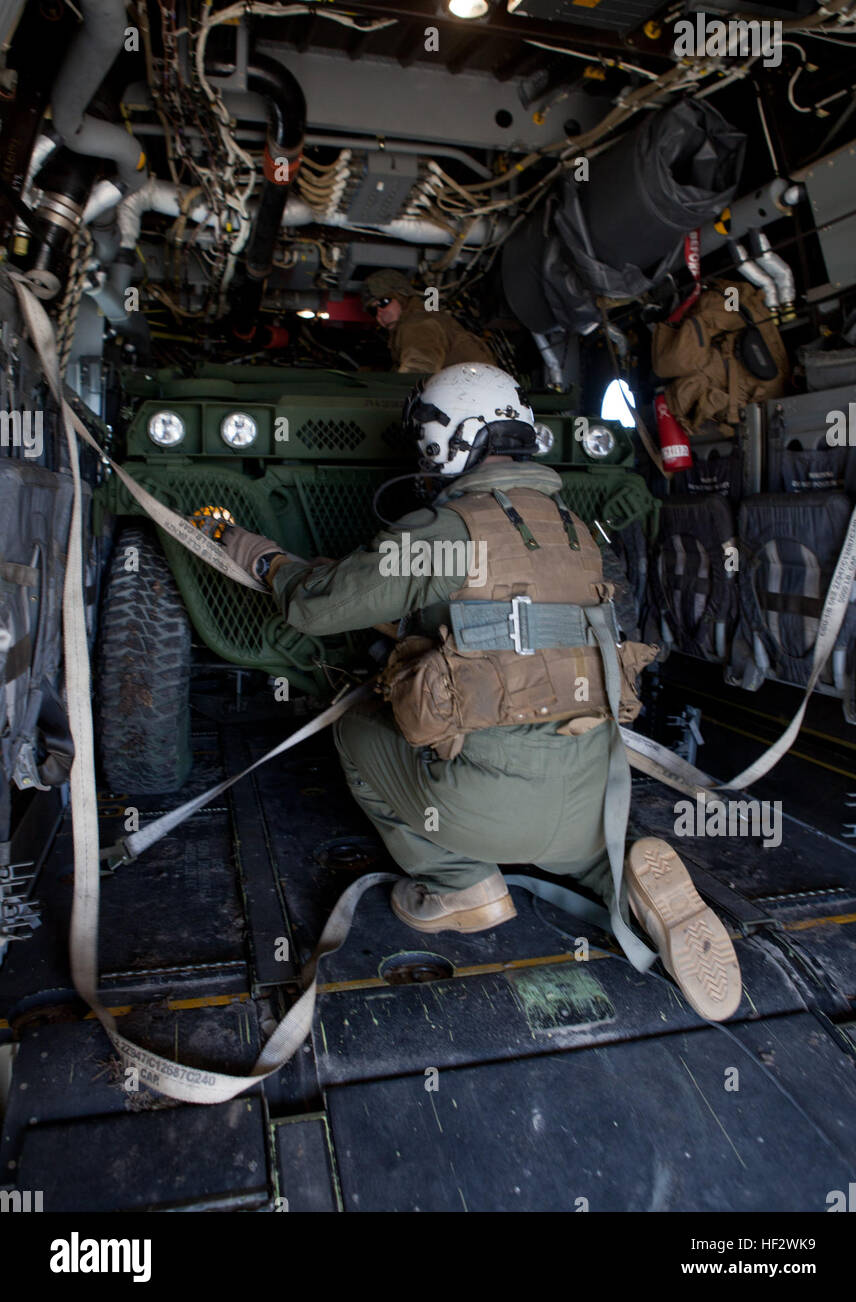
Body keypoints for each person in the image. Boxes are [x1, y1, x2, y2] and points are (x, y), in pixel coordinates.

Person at [210, 363, 742, 1022]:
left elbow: (317, 610)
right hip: (590, 792)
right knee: (568, 838)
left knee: (354, 731)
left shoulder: (445, 530)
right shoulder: (576, 530)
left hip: (482, 805)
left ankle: (463, 886)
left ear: (447, 442)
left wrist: (262, 558)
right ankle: (619, 878)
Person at [363, 268, 496, 375]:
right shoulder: (420, 321)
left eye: (384, 302)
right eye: (373, 311)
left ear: (402, 296)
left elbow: (419, 370)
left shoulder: (417, 324)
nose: (380, 313)